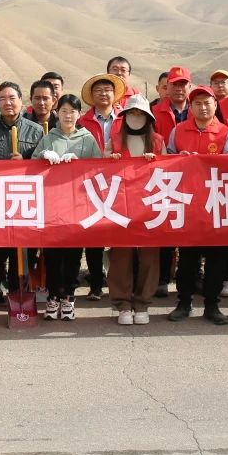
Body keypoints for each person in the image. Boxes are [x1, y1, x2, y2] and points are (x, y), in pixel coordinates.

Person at [166, 86, 228, 326]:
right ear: (191, 107)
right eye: (197, 103)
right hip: (187, 203)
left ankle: (212, 305)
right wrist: (178, 160)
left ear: (215, 105)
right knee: (187, 258)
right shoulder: (178, 131)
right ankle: (183, 302)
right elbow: (166, 162)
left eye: (207, 103)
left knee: (216, 259)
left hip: (215, 203)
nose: (203, 107)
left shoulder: (225, 133)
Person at [32, 93, 103, 321]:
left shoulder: (88, 139)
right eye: (64, 111)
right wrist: (43, 155)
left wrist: (82, 164)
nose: (68, 115)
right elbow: (32, 165)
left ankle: (69, 298)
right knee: (52, 255)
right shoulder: (48, 138)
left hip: (78, 205)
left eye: (72, 111)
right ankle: (53, 297)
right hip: (52, 205)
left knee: (73, 255)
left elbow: (99, 169)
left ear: (79, 114)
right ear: (57, 113)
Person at [0, 82, 44, 314]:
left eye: (12, 98)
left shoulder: (36, 130)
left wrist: (26, 164)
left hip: (23, 200)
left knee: (22, 253)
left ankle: (18, 294)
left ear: (21, 101)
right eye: (2, 98)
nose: (7, 102)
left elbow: (42, 166)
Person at [101, 94, 167, 325]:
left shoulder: (157, 141)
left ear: (148, 118)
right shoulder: (115, 140)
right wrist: (109, 161)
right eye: (132, 113)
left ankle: (142, 303)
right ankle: (122, 304)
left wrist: (156, 162)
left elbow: (169, 172)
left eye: (140, 113)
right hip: (121, 205)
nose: (136, 117)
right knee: (121, 255)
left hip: (150, 206)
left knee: (149, 256)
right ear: (125, 116)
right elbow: (100, 170)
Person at [78, 72, 127, 299]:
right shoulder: (82, 121)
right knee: (93, 236)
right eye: (98, 90)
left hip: (120, 182)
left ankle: (119, 284)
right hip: (90, 183)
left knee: (120, 234)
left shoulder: (125, 119)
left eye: (108, 90)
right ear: (92, 95)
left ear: (114, 94)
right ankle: (96, 284)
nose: (104, 94)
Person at [153, 66, 192, 142]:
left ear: (190, 87)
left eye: (182, 84)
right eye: (174, 84)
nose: (178, 89)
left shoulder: (199, 111)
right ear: (167, 86)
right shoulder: (154, 113)